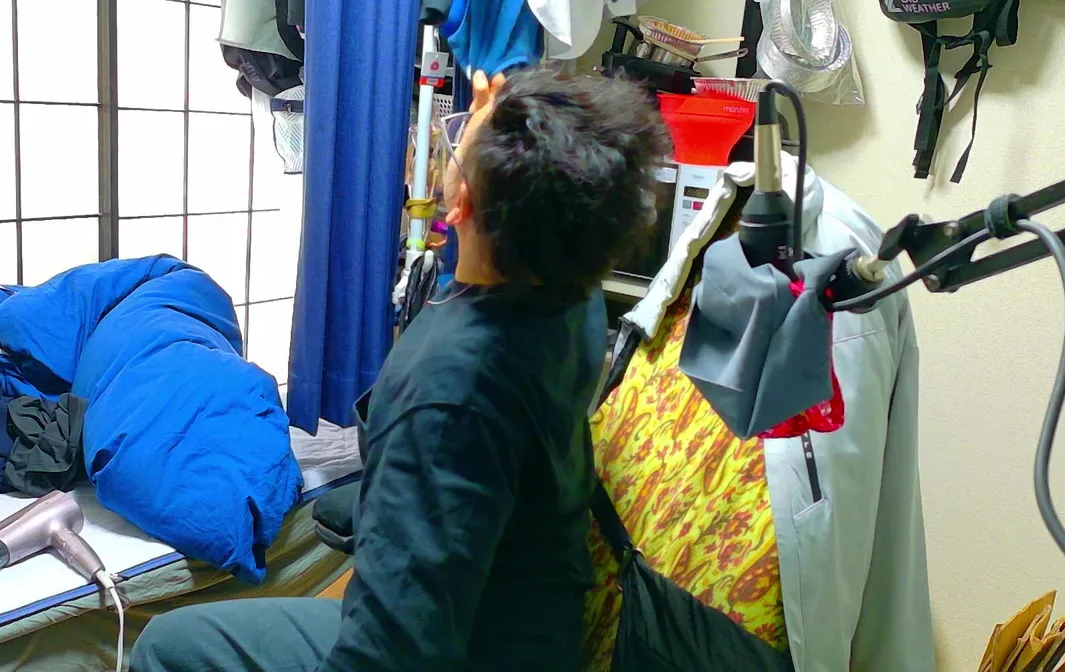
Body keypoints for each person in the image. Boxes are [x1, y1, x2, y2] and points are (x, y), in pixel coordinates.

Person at [130, 66, 672, 672]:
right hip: (534, 608)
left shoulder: (448, 386)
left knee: (167, 647)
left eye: (458, 139)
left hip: (472, 649)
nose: (450, 140)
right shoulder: (575, 299)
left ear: (462, 202)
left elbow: (395, 653)